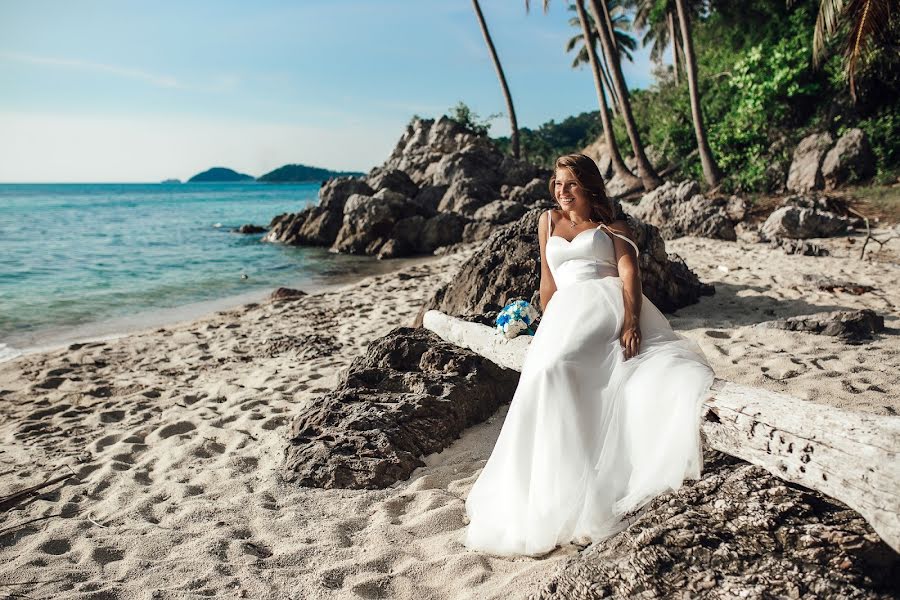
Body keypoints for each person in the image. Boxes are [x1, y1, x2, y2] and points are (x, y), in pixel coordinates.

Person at [463, 153, 715, 557]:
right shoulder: (546, 222)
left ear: (589, 187)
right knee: (546, 371)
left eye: (571, 184)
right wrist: (545, 328)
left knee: (563, 369)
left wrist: (631, 321)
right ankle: (557, 489)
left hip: (606, 304)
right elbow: (548, 281)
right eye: (558, 183)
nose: (562, 192)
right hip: (566, 312)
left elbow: (630, 274)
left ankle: (591, 488)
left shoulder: (613, 227)